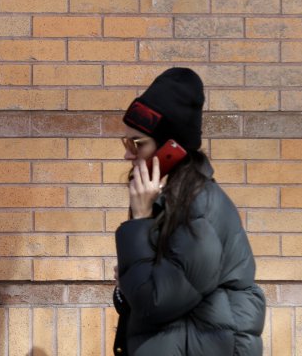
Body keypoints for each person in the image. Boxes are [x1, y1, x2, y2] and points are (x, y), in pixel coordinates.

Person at [112, 68, 265, 355]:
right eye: (125, 142)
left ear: (172, 148)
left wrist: (141, 221)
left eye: (137, 144)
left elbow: (155, 302)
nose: (127, 154)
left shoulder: (200, 208)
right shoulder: (171, 201)